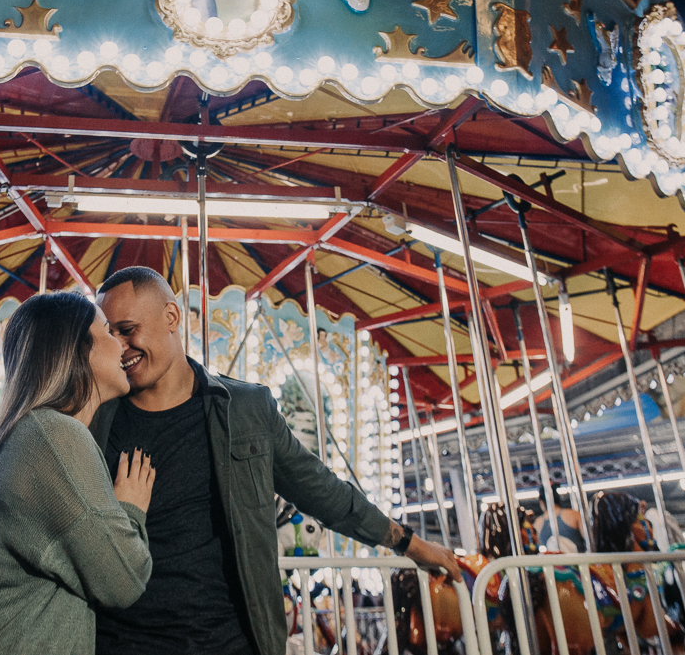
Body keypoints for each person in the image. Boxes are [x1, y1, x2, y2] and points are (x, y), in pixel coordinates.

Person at [92, 266, 461, 655]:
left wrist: (409, 543)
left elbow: (322, 491)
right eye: (109, 333)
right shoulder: (96, 419)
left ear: (171, 316)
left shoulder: (246, 410)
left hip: (228, 640)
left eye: (128, 329)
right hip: (123, 639)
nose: (118, 346)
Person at [0, 291, 156, 655]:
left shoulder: (37, 433)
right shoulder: (55, 436)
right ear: (78, 350)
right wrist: (129, 509)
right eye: (108, 333)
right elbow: (123, 579)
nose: (120, 346)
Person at [535, 484, 586, 553]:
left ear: (541, 502)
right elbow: (590, 541)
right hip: (580, 561)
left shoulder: (538, 523)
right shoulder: (574, 515)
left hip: (553, 563)